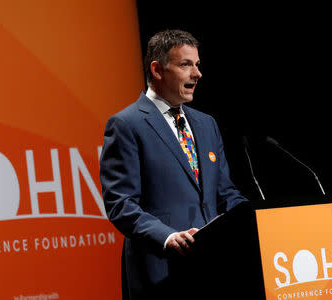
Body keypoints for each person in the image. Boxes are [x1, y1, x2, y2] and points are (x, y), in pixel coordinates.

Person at [99, 29, 249, 299]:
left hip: (215, 269)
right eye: (185, 64)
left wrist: (255, 218)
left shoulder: (206, 124)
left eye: (198, 65)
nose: (197, 73)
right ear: (157, 70)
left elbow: (225, 193)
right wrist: (167, 237)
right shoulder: (127, 125)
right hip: (161, 270)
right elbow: (120, 203)